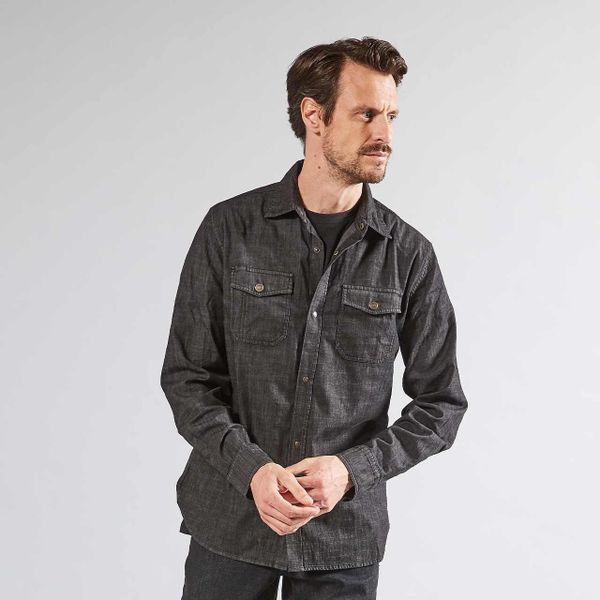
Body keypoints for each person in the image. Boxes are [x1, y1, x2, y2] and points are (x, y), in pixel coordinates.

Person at [160, 36, 468, 600]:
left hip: (342, 543)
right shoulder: (229, 230)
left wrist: (351, 471)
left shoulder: (408, 255)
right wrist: (251, 470)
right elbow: (188, 378)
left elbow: (441, 405)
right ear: (313, 115)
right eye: (366, 114)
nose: (384, 134)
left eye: (391, 116)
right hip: (229, 526)